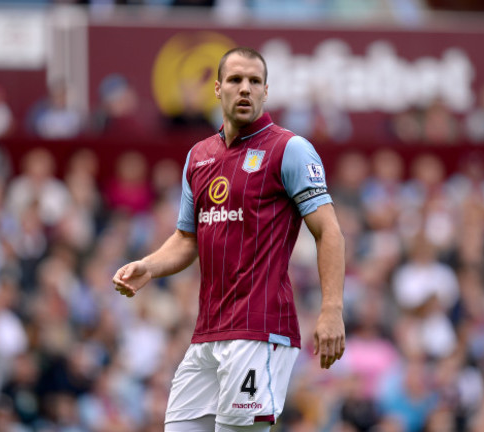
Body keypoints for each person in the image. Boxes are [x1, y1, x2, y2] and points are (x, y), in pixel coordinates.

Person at [112, 47, 346, 432]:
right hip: (207, 334)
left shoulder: (289, 149)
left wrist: (331, 309)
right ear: (218, 88)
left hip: (260, 330)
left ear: (266, 91)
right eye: (236, 80)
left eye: (254, 82)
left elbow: (329, 230)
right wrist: (149, 266)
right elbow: (187, 238)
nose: (245, 89)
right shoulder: (198, 157)